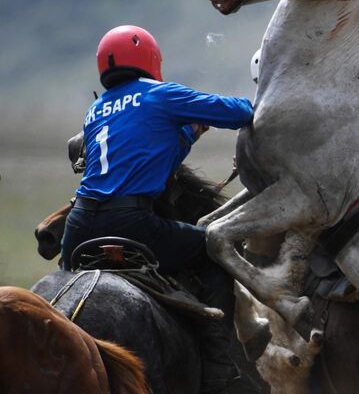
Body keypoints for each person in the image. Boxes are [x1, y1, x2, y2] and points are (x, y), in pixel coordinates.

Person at [60, 25, 256, 394]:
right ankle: (220, 368)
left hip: (79, 226)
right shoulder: (160, 95)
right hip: (132, 222)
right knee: (214, 251)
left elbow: (149, 148)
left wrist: (184, 135)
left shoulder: (95, 110)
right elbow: (238, 112)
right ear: (150, 59)